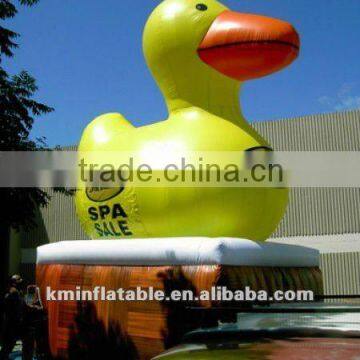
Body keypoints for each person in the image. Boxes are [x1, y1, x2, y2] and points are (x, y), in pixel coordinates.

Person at [0, 274, 26, 359]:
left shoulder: (18, 291)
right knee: (9, 342)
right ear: (14, 282)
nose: (21, 280)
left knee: (11, 342)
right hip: (11, 322)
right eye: (19, 279)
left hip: (15, 321)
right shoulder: (13, 292)